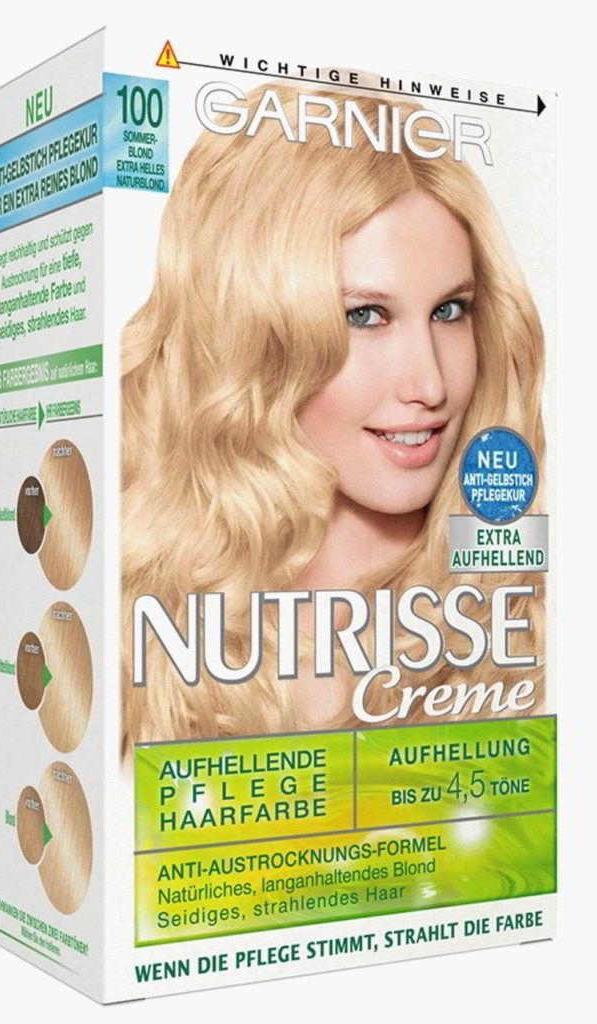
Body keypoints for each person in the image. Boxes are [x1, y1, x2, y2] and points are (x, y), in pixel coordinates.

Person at [121, 84, 545, 750]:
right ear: (252, 337)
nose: (430, 384)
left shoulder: (534, 628)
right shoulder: (133, 635)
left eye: (450, 311)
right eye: (365, 316)